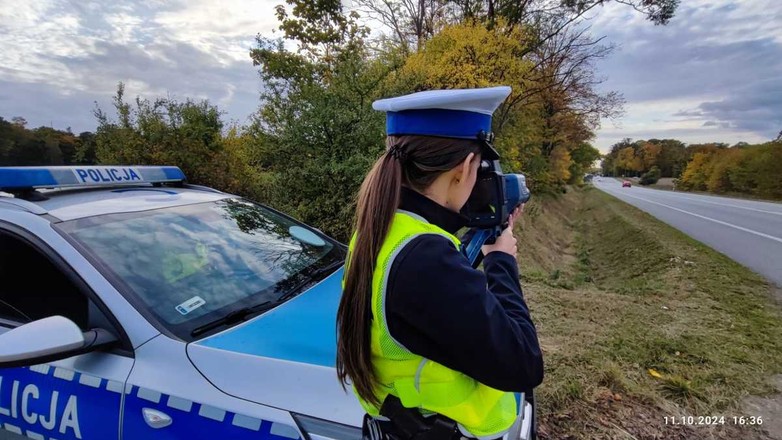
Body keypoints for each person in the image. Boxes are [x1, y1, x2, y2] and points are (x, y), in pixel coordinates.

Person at [336, 86, 544, 440]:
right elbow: (523, 364)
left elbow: (436, 303)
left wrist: (487, 238)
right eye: (480, 167)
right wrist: (501, 260)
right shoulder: (424, 259)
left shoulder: (385, 230)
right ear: (464, 168)